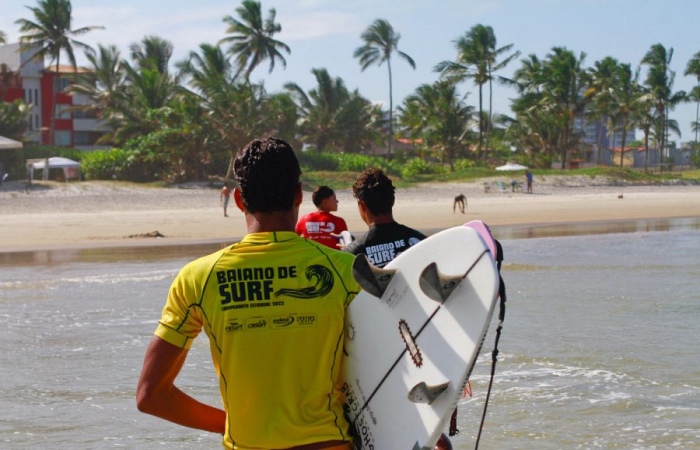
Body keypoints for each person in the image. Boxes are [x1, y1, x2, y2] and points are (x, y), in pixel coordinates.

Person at [136, 137, 361, 450]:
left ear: (240, 200)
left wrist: (233, 425)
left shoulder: (198, 278)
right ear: (298, 195)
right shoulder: (348, 271)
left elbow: (151, 396)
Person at [343, 168, 453, 449]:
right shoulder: (420, 242)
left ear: (361, 207)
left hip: (381, 356)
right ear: (391, 202)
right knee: (432, 434)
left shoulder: (353, 254)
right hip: (426, 349)